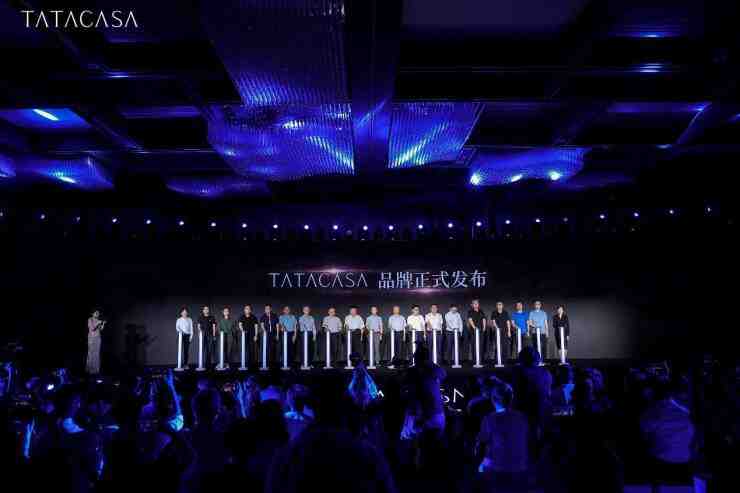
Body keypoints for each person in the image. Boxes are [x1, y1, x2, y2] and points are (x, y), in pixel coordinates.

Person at [475, 377, 529, 485]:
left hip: (498, 467)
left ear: (493, 399)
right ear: (512, 398)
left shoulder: (489, 418)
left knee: (479, 470)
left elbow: (480, 445)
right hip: (521, 466)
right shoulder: (522, 417)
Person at [467, 299, 487, 364]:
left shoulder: (481, 311)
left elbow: (484, 319)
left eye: (477, 303)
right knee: (474, 345)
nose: (476, 304)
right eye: (474, 303)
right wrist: (474, 327)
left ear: (478, 304)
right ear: (472, 305)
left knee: (481, 345)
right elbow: (470, 320)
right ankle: (474, 360)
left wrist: (484, 327)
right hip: (473, 331)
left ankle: (480, 360)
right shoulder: (470, 311)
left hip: (481, 331)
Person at [86, 310, 106, 374]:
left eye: (98, 313)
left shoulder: (98, 320)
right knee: (91, 353)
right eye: (96, 313)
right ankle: (89, 369)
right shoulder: (90, 319)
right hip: (91, 338)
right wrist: (98, 322)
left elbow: (101, 329)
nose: (97, 314)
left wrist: (103, 324)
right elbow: (92, 328)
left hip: (98, 338)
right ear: (92, 313)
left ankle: (96, 370)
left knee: (97, 353)